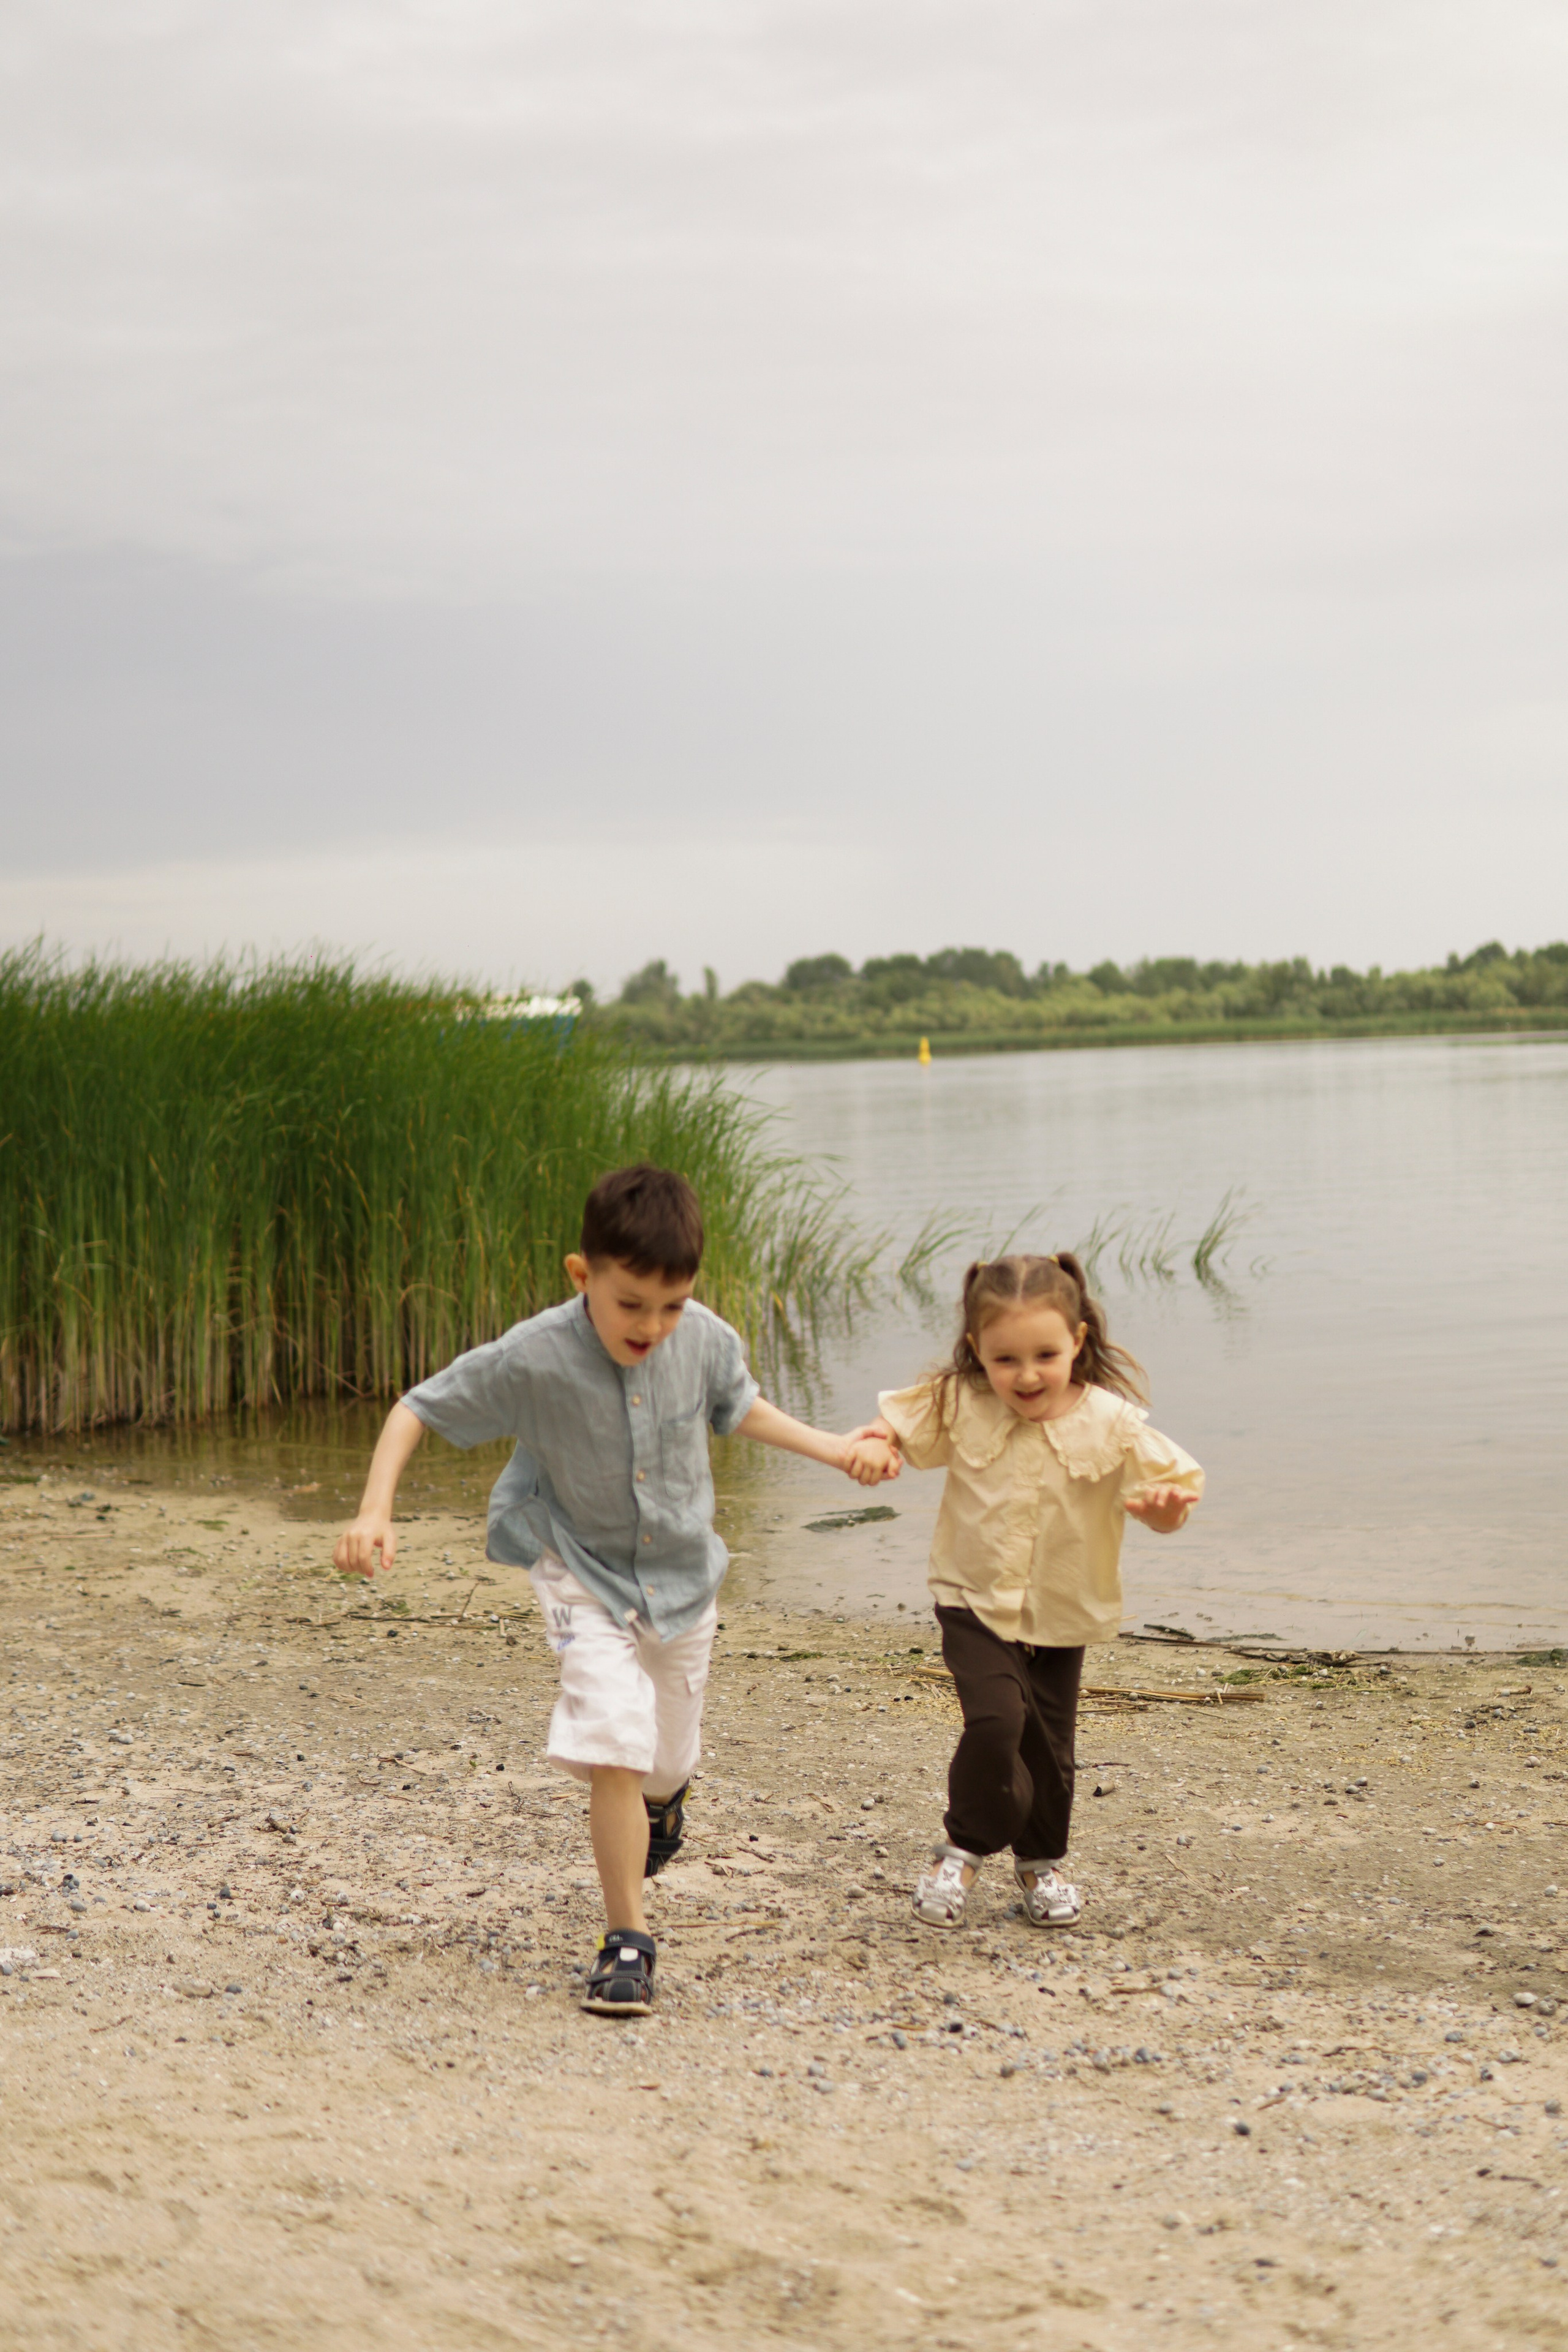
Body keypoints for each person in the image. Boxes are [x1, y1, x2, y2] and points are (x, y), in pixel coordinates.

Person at [333, 1162, 895, 2015]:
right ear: (581, 1273)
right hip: (574, 1568)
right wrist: (376, 1510)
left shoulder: (703, 1338)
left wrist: (836, 1447)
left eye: (671, 1304)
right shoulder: (534, 1356)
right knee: (614, 1738)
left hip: (680, 1577)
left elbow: (741, 1408)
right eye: (631, 1303)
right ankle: (627, 1939)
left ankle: (664, 1808)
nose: (653, 1325)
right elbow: (417, 1406)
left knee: (666, 1761)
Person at [846, 1252, 1201, 1933]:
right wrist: (875, 1443)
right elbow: (896, 1424)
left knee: (1049, 1749)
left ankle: (1040, 1864)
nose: (1027, 1375)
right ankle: (961, 1851)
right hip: (971, 1599)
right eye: (1006, 1359)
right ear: (978, 1350)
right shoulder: (961, 1400)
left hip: (1064, 1609)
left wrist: (1162, 1507)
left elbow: (1172, 1498)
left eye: (1046, 1354)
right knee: (995, 1723)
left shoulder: (1112, 1420)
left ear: (1078, 1342)